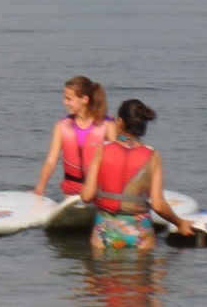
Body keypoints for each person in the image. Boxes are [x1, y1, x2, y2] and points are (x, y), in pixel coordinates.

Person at [79, 99, 194, 250]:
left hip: (106, 229)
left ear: (119, 122)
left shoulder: (102, 150)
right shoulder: (153, 155)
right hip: (140, 231)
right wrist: (180, 223)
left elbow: (87, 196)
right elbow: (158, 205)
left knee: (102, 272)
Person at [33, 75, 115, 199]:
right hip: (71, 193)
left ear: (84, 99)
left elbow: (119, 150)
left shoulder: (107, 125)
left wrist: (127, 139)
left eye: (68, 99)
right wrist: (40, 186)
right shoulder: (62, 126)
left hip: (99, 192)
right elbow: (51, 160)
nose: (64, 102)